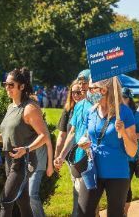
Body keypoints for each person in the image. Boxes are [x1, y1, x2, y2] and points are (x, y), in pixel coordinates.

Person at [77, 78, 137, 217]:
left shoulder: (124, 113)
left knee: (115, 214)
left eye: (92, 89)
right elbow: (87, 136)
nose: (88, 92)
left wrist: (123, 133)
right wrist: (84, 142)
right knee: (83, 212)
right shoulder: (90, 112)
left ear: (104, 90)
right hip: (93, 171)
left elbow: (133, 151)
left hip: (117, 174)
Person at [0, 68, 51, 217]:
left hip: (23, 160)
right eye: (5, 84)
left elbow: (44, 136)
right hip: (9, 159)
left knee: (6, 201)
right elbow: (8, 134)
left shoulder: (29, 108)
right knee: (22, 200)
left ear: (21, 86)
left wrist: (26, 149)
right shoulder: (10, 107)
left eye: (11, 85)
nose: (7, 87)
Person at [54, 69, 92, 217]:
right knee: (82, 199)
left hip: (95, 160)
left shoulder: (99, 104)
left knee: (87, 202)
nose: (81, 86)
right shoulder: (78, 106)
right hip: (79, 158)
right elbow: (71, 132)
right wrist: (62, 155)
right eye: (80, 83)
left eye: (84, 83)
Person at [53, 80, 83, 216]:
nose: (76, 95)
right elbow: (62, 135)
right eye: (73, 92)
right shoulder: (68, 110)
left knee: (82, 187)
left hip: (85, 155)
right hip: (71, 156)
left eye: (79, 92)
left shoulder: (89, 108)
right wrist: (57, 156)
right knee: (77, 186)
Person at [121, 87, 139, 216]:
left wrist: (128, 133)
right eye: (120, 97)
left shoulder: (137, 116)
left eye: (124, 97)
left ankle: (124, 212)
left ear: (129, 99)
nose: (122, 100)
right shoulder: (115, 113)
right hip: (116, 155)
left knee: (126, 185)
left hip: (130, 156)